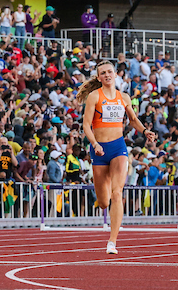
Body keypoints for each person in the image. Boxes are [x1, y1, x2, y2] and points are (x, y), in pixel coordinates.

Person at [78, 60, 156, 255]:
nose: (107, 75)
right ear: (99, 77)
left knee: (117, 193)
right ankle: (105, 201)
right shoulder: (94, 96)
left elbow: (133, 119)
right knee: (104, 202)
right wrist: (94, 144)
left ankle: (112, 241)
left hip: (118, 147)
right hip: (99, 150)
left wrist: (145, 131)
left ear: (115, 74)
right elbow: (86, 125)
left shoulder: (124, 97)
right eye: (103, 73)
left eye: (110, 71)